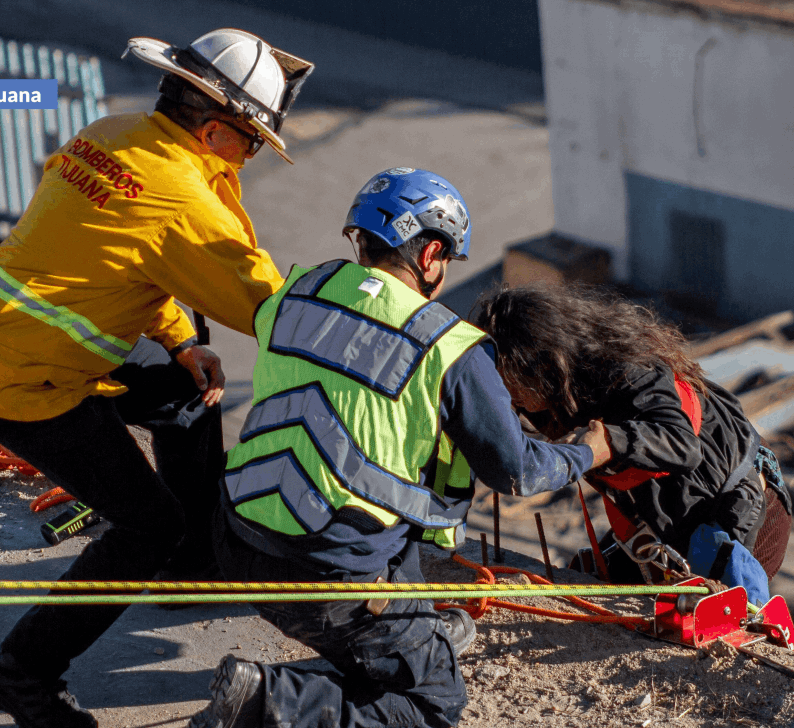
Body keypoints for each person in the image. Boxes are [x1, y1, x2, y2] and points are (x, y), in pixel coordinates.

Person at [0, 28, 313, 728]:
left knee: (184, 395)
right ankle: (19, 674)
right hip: (23, 382)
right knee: (145, 524)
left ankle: (194, 565)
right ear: (214, 129)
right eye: (254, 142)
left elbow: (111, 254)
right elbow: (272, 306)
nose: (253, 156)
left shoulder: (111, 133)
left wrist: (178, 341)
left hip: (11, 329)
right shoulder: (181, 200)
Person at [189, 167, 610, 728]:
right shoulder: (449, 346)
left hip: (236, 542)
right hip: (325, 577)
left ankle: (415, 630)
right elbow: (518, 472)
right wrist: (589, 451)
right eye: (449, 258)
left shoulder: (295, 293)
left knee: (389, 514)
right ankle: (269, 698)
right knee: (434, 705)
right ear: (432, 251)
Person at [471, 285, 791, 602]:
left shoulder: (630, 374)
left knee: (716, 616)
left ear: (544, 364)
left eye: (507, 380)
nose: (507, 398)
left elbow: (681, 444)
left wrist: (609, 441)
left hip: (738, 511)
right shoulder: (546, 396)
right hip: (661, 517)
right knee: (594, 583)